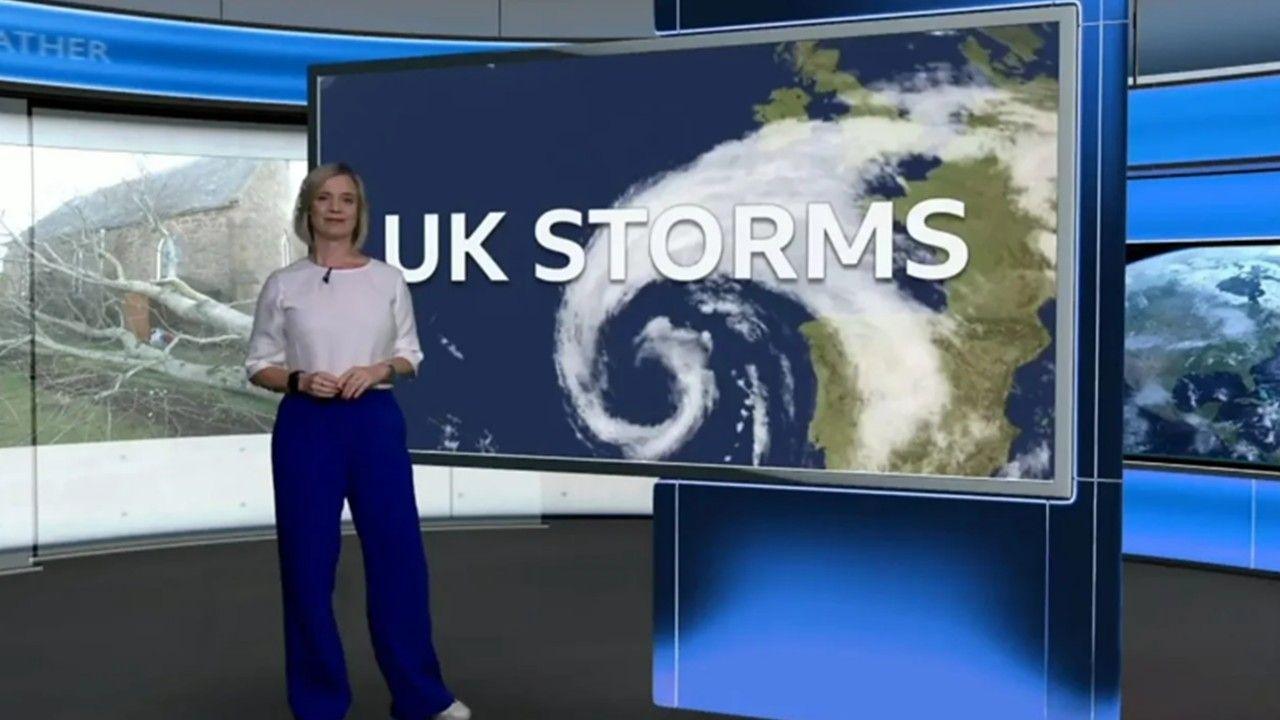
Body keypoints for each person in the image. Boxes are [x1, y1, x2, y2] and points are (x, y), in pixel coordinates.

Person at [245, 163, 470, 720]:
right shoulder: (283, 284)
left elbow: (411, 354)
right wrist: (298, 379)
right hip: (306, 426)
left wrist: (377, 369)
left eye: (347, 199)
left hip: (373, 420)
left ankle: (421, 696)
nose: (337, 208)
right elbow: (257, 364)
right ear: (309, 209)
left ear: (359, 211)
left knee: (399, 559)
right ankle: (319, 704)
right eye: (325, 198)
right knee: (306, 565)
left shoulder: (388, 279)